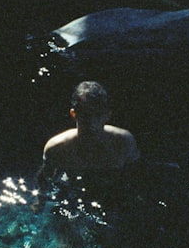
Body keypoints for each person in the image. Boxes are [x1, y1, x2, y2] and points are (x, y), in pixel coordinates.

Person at [33, 81, 140, 213]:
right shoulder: (57, 148)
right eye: (86, 116)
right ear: (74, 114)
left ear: (107, 115)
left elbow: (135, 175)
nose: (92, 123)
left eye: (98, 115)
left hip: (111, 192)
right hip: (74, 192)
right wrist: (40, 202)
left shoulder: (123, 143)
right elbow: (44, 177)